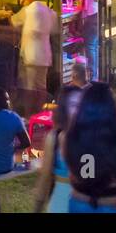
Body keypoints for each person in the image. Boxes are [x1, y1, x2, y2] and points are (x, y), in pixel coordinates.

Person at [62, 81, 116, 213]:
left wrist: (91, 181)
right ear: (112, 108)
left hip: (80, 203)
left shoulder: (71, 136)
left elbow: (75, 168)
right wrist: (114, 183)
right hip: (112, 204)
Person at [33, 84, 83, 213]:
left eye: (81, 105)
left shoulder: (90, 137)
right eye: (73, 105)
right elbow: (44, 178)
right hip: (60, 205)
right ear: (64, 109)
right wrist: (37, 208)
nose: (78, 110)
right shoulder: (54, 138)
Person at [10, 0, 57, 116]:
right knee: (41, 88)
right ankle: (40, 116)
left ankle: (29, 116)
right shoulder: (48, 11)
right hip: (45, 56)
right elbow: (54, 27)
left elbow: (13, 22)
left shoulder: (27, 10)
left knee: (29, 89)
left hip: (30, 57)